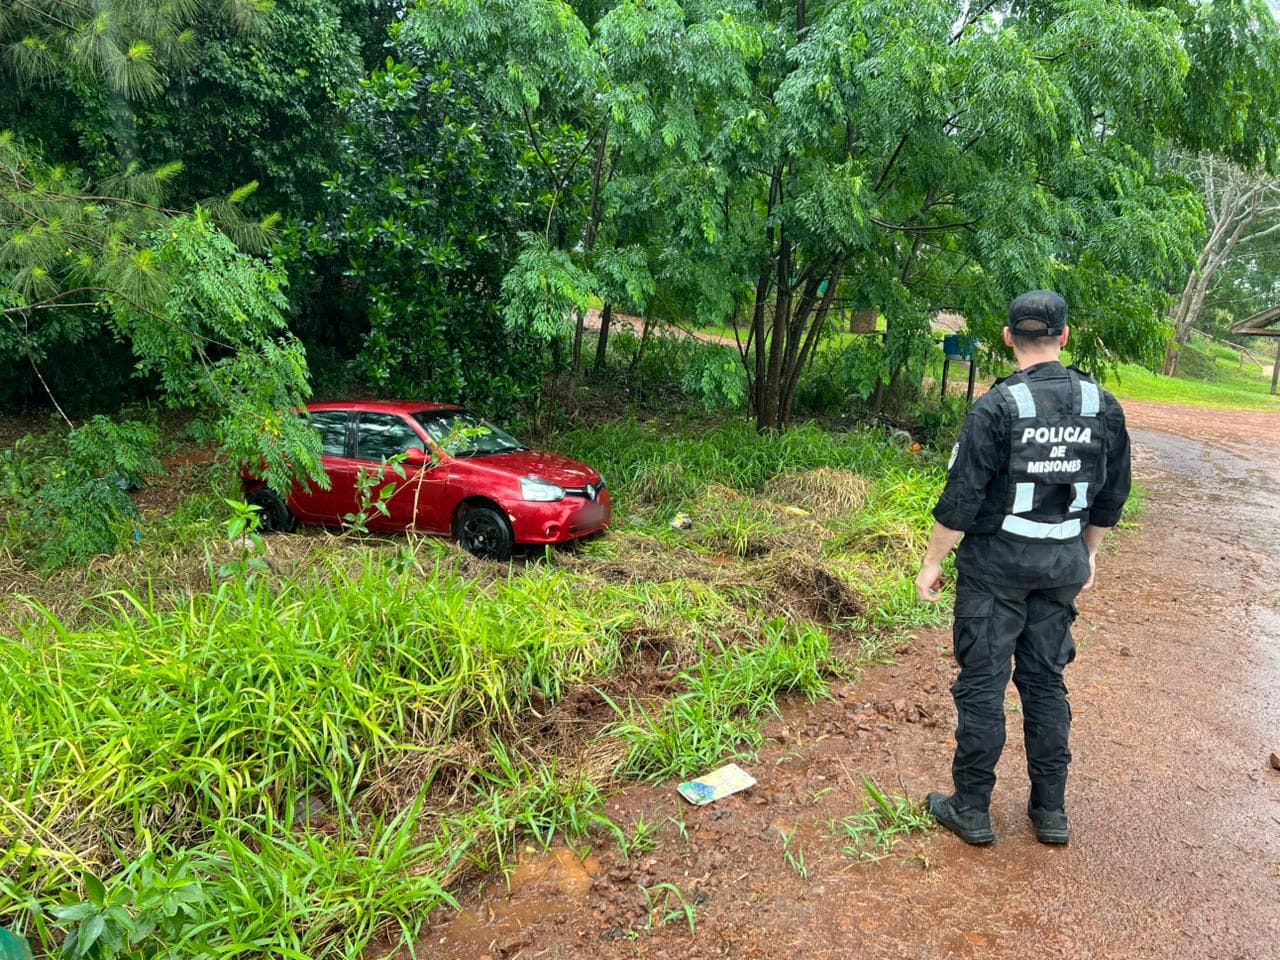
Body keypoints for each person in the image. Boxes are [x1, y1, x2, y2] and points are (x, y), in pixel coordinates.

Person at [915, 290, 1131, 846]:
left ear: (1009, 337)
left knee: (983, 684)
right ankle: (1050, 813)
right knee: (1045, 683)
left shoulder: (996, 407)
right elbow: (1111, 496)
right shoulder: (1102, 405)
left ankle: (972, 809)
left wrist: (931, 563)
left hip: (995, 570)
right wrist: (1088, 556)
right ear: (1064, 336)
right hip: (1061, 566)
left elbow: (960, 499)